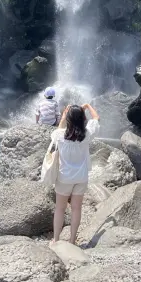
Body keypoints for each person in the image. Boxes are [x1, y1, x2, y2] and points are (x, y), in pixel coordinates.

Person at [50, 103, 100, 245]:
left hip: (64, 177)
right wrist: (88, 106)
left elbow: (60, 127)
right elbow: (96, 118)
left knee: (60, 208)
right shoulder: (87, 135)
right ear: (83, 119)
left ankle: (56, 240)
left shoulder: (59, 135)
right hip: (81, 177)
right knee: (76, 208)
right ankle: (72, 240)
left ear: (68, 119)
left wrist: (65, 115)